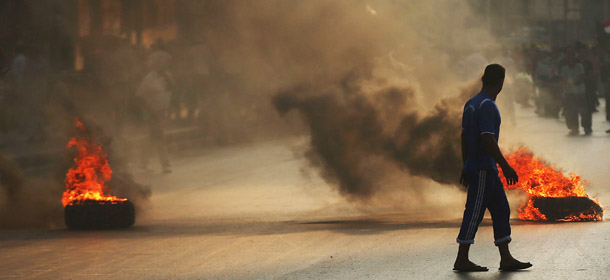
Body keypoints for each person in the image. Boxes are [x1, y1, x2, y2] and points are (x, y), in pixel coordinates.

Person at [453, 64, 532, 272]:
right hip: (482, 168)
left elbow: (464, 137)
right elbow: (487, 138)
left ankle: (506, 258)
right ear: (501, 83)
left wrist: (465, 163)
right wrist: (505, 166)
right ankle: (461, 258)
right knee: (474, 212)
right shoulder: (487, 105)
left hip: (483, 168)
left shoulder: (471, 104)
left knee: (501, 209)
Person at [561, 52, 590, 136]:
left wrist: (571, 84)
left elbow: (581, 78)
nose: (571, 60)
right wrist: (569, 85)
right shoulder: (564, 69)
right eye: (569, 59)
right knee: (571, 111)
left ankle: (586, 127)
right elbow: (564, 79)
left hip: (580, 92)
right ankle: (574, 128)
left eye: (572, 58)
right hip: (570, 93)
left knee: (583, 111)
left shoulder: (579, 66)